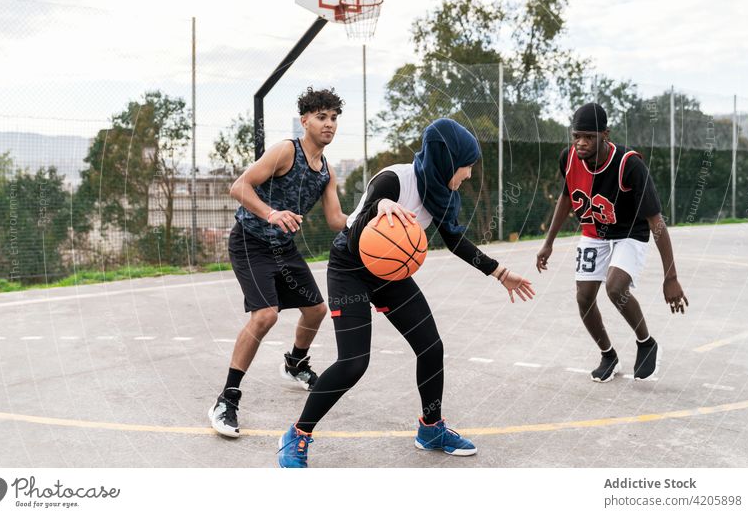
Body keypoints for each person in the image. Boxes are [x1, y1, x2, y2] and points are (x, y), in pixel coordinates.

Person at [277, 118, 535, 467]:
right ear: (447, 160)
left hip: (390, 274)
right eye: (467, 166)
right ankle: (298, 434)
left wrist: (500, 272)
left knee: (431, 347)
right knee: (354, 363)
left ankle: (431, 428)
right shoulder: (394, 179)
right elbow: (353, 235)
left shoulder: (440, 191)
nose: (469, 174)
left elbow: (455, 240)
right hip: (350, 268)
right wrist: (377, 210)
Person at [208, 87, 348, 437]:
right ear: (305, 121)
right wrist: (271, 214)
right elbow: (239, 187)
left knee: (316, 310)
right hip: (250, 240)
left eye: (333, 117)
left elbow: (336, 220)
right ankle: (227, 399)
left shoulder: (326, 172)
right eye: (321, 117)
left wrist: (376, 213)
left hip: (282, 247)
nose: (329, 124)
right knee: (266, 314)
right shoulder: (287, 151)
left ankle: (295, 364)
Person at [536, 103, 688, 383]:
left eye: (589, 137)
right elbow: (567, 197)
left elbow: (657, 222)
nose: (581, 142)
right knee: (583, 297)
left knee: (615, 287)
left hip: (630, 232)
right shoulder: (567, 158)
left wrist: (671, 278)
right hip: (594, 233)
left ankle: (646, 342)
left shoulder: (629, 164)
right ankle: (608, 354)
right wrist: (549, 243)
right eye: (576, 136)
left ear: (605, 134)